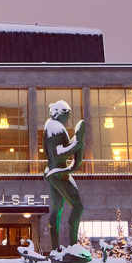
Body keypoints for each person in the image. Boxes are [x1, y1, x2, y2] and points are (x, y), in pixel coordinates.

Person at [43, 100, 86, 250]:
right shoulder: (55, 128)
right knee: (78, 207)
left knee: (56, 209)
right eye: (67, 115)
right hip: (59, 173)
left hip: (52, 172)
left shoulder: (50, 126)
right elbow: (58, 155)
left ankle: (55, 249)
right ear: (60, 113)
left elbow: (53, 152)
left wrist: (75, 142)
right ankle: (73, 245)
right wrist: (77, 145)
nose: (68, 119)